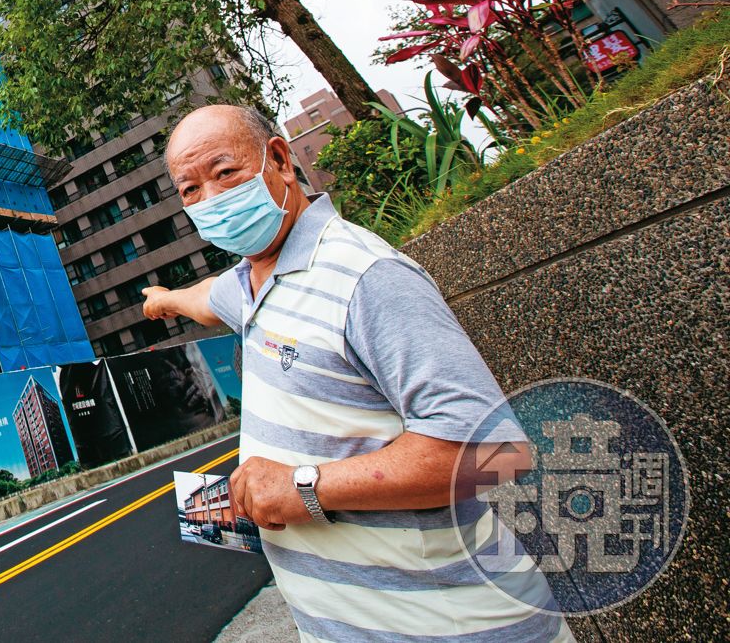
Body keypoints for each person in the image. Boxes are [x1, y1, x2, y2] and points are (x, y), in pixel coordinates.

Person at [142, 104, 570, 641]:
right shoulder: (249, 284)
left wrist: (304, 487)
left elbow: (494, 450)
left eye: (225, 172)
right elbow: (205, 298)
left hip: (455, 628)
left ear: (281, 161)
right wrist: (163, 300)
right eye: (190, 189)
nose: (212, 200)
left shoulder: (365, 276)